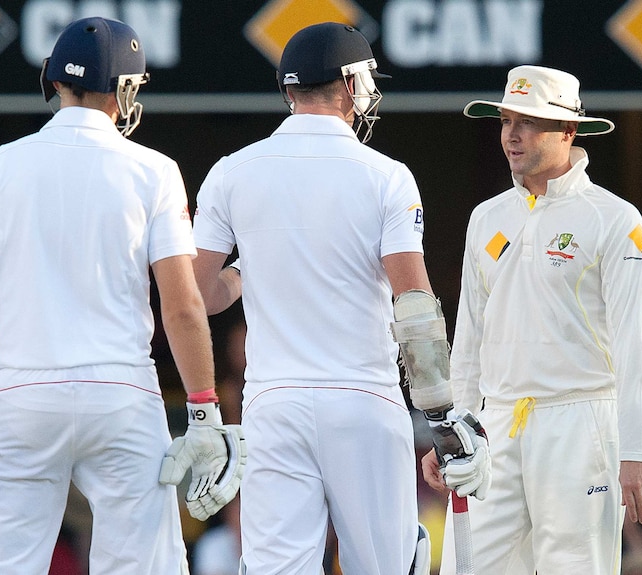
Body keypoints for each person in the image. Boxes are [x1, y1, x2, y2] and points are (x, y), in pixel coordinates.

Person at [0, 16, 243, 574]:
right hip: (121, 396)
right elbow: (180, 306)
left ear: (53, 81)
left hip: (21, 393)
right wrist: (206, 412)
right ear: (126, 91)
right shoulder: (155, 170)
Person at [190, 21, 489, 575]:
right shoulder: (386, 176)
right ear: (352, 85)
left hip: (273, 404)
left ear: (289, 91)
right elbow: (414, 303)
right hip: (362, 399)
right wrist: (444, 415)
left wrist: (245, 271)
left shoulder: (230, 172)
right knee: (388, 566)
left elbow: (200, 295)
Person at [423, 65, 642, 574]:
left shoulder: (615, 219)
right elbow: (468, 337)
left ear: (569, 131)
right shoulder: (487, 217)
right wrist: (453, 430)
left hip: (580, 422)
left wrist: (638, 448)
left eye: (530, 122)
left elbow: (629, 342)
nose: (512, 135)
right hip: (496, 425)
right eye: (507, 120)